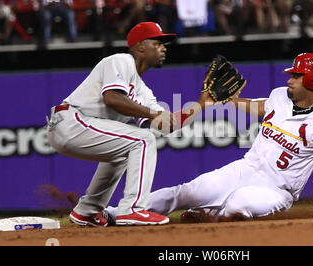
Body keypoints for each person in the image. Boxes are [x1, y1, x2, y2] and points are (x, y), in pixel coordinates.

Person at [106, 53, 313, 223]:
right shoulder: (280, 96)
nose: (290, 79)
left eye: (297, 76)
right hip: (244, 168)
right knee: (185, 192)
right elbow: (260, 108)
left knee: (237, 206)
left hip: (277, 188)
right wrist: (231, 99)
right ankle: (117, 213)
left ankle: (209, 215)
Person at [46, 22, 214, 227]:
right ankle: (132, 209)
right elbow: (113, 98)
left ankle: (88, 211)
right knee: (142, 140)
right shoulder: (121, 61)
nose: (164, 47)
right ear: (141, 45)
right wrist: (152, 113)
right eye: (158, 42)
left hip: (79, 126)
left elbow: (166, 125)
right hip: (70, 122)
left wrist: (203, 103)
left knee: (127, 148)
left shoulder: (144, 91)